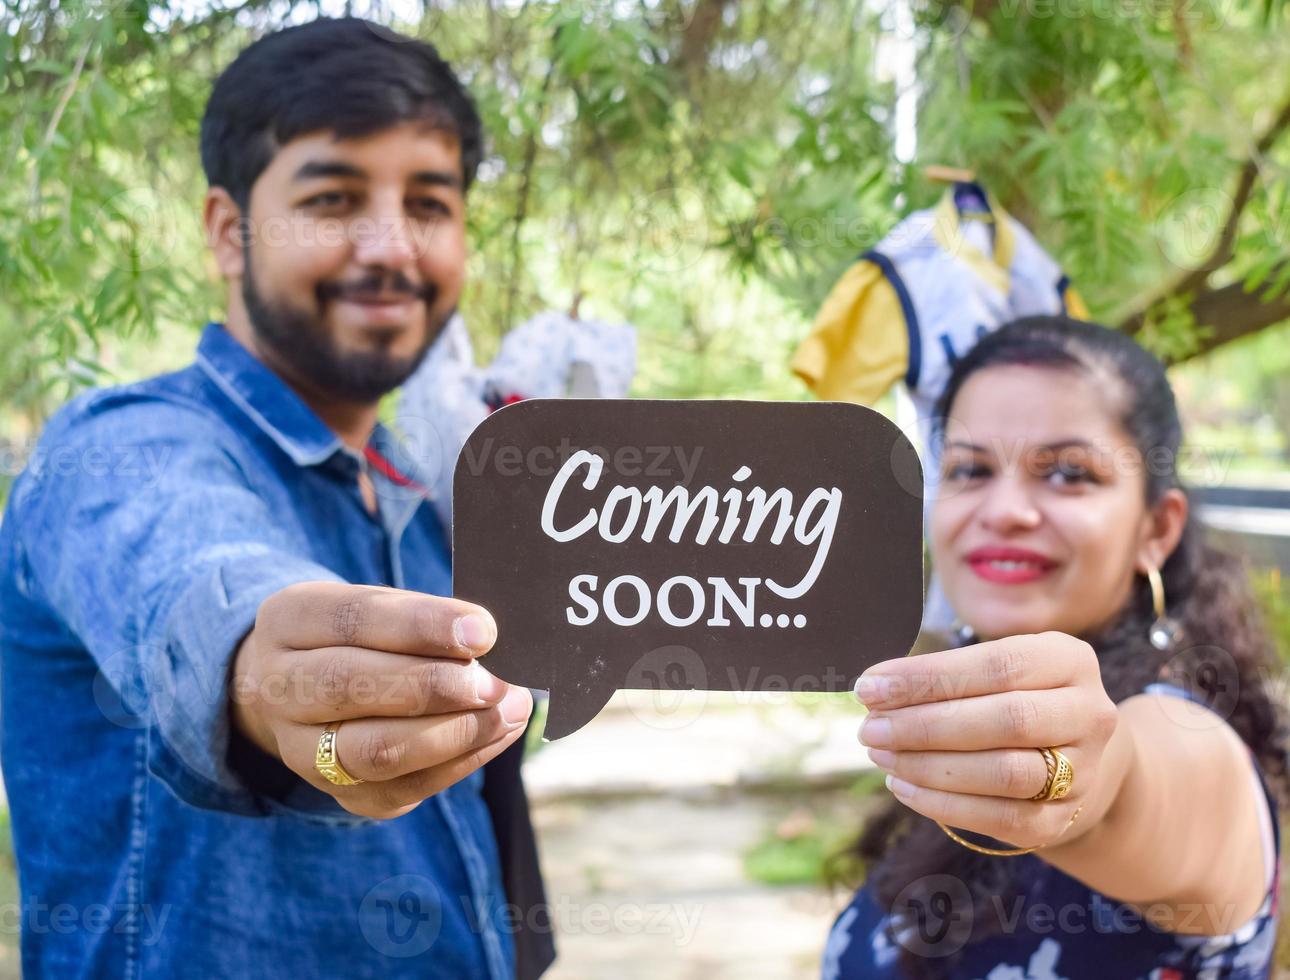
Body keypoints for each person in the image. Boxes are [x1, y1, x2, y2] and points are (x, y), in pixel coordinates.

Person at [0, 17, 555, 979]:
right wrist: (273, 676)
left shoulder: (429, 499)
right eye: (334, 199)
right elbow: (195, 579)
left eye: (430, 204)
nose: (390, 248)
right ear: (228, 230)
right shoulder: (118, 449)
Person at [823, 316, 1290, 978]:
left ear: (1157, 529)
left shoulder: (1190, 736)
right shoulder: (954, 721)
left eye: (1069, 473)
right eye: (969, 468)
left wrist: (1081, 784)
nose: (1006, 509)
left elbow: (1126, 781)